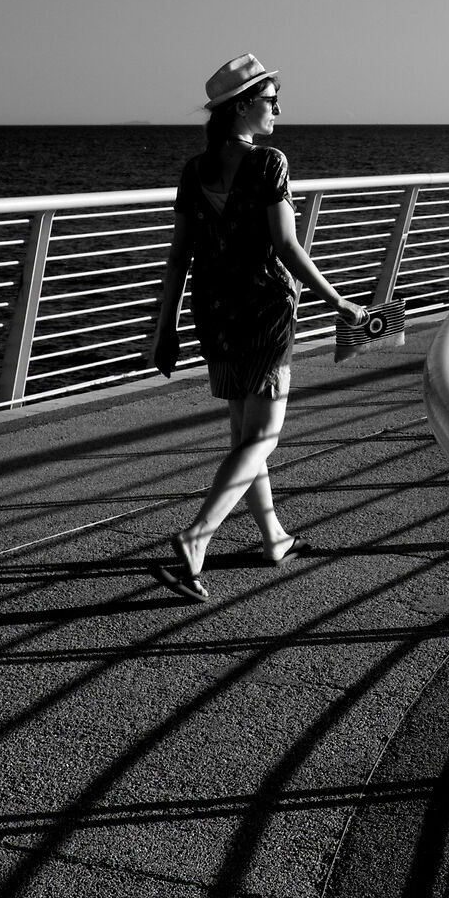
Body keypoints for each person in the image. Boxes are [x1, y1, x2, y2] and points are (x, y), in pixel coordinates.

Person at [148, 53, 367, 599]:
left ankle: (273, 538)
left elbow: (179, 256)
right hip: (264, 311)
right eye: (271, 101)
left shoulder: (193, 172)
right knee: (264, 436)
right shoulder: (269, 163)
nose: (278, 110)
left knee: (247, 436)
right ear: (243, 106)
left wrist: (166, 328)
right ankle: (198, 537)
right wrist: (340, 304)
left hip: (214, 313)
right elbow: (287, 247)